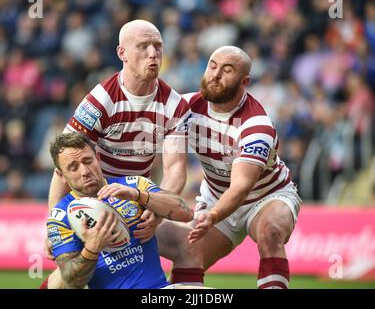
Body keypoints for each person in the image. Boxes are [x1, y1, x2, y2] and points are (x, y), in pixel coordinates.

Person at [43, 19, 203, 288]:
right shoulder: (99, 101)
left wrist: (157, 211)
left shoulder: (175, 105)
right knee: (70, 278)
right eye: (143, 46)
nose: (153, 53)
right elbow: (66, 160)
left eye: (157, 46)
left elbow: (175, 170)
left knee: (189, 246)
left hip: (136, 196)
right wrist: (55, 225)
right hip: (92, 198)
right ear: (122, 53)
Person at [184, 46, 301, 289]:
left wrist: (213, 216)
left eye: (227, 70)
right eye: (212, 66)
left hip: (266, 196)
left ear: (244, 81)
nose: (216, 75)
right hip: (215, 195)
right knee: (187, 261)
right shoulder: (184, 107)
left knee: (271, 232)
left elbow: (241, 187)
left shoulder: (256, 126)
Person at [45, 132, 194, 289]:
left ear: (98, 158)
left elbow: (186, 213)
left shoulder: (132, 185)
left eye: (88, 161)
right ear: (61, 175)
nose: (85, 171)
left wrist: (140, 196)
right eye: (73, 168)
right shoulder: (60, 216)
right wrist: (92, 247)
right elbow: (71, 282)